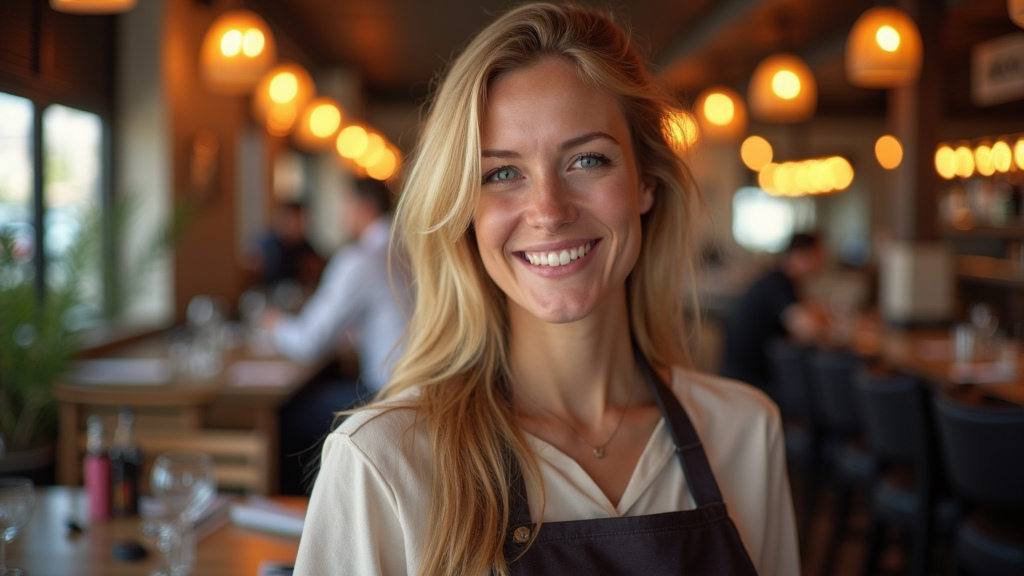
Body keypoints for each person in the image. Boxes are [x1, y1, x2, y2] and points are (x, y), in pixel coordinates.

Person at [295, 4, 799, 575]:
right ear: (465, 213)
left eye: (588, 160)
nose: (549, 212)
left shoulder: (746, 430)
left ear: (646, 185)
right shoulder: (382, 462)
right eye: (502, 173)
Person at [265, 178, 410, 493]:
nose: (342, 215)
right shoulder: (407, 246)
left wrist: (275, 323)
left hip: (388, 395)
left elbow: (307, 343)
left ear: (363, 207)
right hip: (424, 390)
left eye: (344, 206)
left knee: (284, 416)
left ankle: (301, 508)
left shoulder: (360, 259)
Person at [721, 232, 826, 398]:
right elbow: (806, 330)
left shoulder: (778, 280)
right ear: (802, 255)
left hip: (747, 373)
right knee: (816, 389)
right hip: (748, 380)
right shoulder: (777, 283)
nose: (822, 263)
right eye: (819, 255)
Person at [249, 201, 325, 291]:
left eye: (301, 221)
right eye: (295, 220)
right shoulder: (266, 244)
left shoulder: (304, 246)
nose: (299, 225)